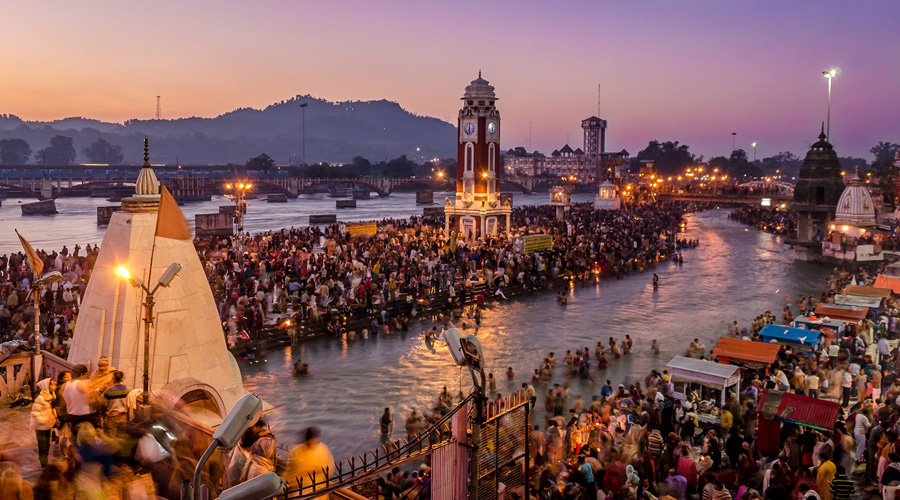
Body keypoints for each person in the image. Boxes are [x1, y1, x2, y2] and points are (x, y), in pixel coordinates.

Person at [283, 427, 335, 494]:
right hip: (306, 489)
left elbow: (328, 468)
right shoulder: (297, 452)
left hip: (312, 488)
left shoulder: (322, 450)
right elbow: (291, 471)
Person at [30, 378, 57, 468]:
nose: (55, 386)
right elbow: (35, 413)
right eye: (52, 385)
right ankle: (43, 462)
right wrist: (43, 421)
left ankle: (45, 459)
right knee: (42, 445)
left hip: (48, 425)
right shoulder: (41, 398)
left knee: (47, 443)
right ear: (47, 386)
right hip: (41, 427)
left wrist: (54, 419)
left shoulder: (52, 396)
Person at [103, 371, 128, 439]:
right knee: (121, 437)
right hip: (123, 416)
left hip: (112, 417)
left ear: (113, 379)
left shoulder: (109, 390)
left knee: (111, 438)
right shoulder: (125, 389)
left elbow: (104, 404)